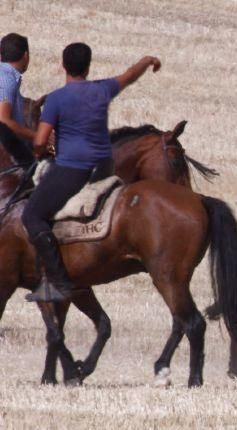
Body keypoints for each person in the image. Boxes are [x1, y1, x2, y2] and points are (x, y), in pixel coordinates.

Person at [23, 42, 161, 302]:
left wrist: (42, 150)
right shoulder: (102, 89)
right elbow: (130, 75)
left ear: (63, 65)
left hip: (73, 171)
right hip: (105, 167)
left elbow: (40, 140)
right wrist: (147, 60)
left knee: (32, 215)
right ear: (88, 66)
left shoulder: (56, 99)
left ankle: (58, 282)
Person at [0, 32, 36, 166]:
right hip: (7, 152)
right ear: (26, 55)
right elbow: (3, 121)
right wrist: (36, 136)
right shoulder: (6, 78)